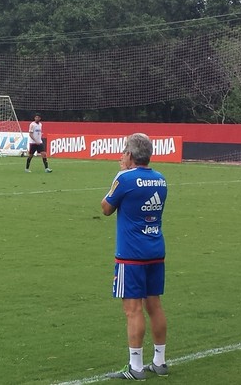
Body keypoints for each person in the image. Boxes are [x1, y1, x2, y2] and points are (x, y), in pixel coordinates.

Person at [101, 133, 169, 381]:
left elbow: (106, 208)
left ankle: (136, 367)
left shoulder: (125, 178)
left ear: (129, 155)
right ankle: (160, 362)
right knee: (155, 305)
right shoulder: (161, 180)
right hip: (155, 250)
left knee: (133, 310)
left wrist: (120, 175)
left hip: (131, 254)